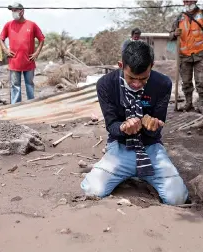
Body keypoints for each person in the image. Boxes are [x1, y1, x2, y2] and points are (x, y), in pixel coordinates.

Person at [81, 41, 188, 206]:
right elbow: (112, 126)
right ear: (121, 65)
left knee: (177, 198)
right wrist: (123, 128)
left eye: (143, 79)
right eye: (131, 78)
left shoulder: (163, 84)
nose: (137, 84)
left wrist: (152, 126)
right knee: (92, 190)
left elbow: (156, 129)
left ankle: (132, 173)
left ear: (151, 66)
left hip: (151, 148)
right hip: (120, 147)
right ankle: (125, 171)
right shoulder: (106, 84)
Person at [170, 0, 203, 113]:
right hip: (184, 55)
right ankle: (188, 103)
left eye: (189, 0)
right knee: (186, 82)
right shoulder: (179, 17)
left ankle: (201, 105)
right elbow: (171, 35)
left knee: (202, 81)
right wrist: (174, 34)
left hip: (200, 54)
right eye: (185, 1)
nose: (187, 2)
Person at [0, 2, 45, 104]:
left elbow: (42, 39)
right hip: (14, 62)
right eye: (12, 11)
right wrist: (5, 50)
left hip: (29, 61)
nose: (13, 12)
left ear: (22, 11)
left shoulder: (31, 25)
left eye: (15, 10)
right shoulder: (8, 25)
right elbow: (1, 38)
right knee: (15, 86)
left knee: (29, 84)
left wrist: (37, 52)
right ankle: (15, 106)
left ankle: (31, 104)